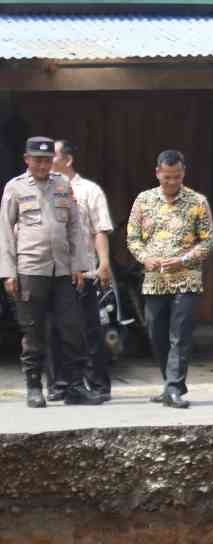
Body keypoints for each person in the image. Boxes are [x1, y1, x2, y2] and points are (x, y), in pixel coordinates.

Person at [0, 137, 103, 407]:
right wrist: (8, 272)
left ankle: (74, 387)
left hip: (63, 272)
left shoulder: (62, 185)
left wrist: (79, 265)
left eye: (47, 160)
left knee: (72, 329)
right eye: (38, 160)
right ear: (27, 159)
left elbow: (75, 228)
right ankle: (34, 386)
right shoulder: (15, 188)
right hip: (30, 269)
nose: (43, 165)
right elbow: (5, 233)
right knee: (32, 332)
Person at [126, 149, 213, 409]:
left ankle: (175, 387)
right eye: (167, 177)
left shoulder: (197, 201)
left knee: (180, 335)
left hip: (186, 279)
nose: (172, 182)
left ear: (183, 173)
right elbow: (133, 238)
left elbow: (208, 240)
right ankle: (169, 384)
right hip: (154, 279)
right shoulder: (143, 201)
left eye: (176, 177)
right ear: (157, 173)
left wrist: (183, 260)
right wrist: (145, 258)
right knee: (155, 333)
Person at [47, 139, 113, 401]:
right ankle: (59, 385)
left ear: (68, 160)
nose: (46, 161)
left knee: (89, 329)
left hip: (84, 270)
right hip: (53, 271)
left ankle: (97, 384)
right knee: (54, 330)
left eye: (51, 156)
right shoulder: (43, 189)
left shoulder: (89, 190)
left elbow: (100, 229)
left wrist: (104, 263)